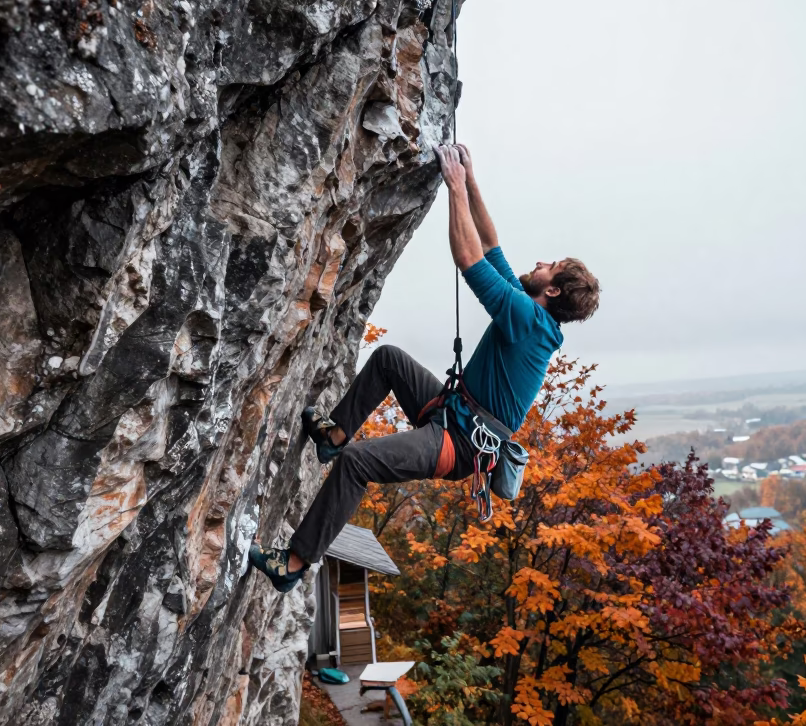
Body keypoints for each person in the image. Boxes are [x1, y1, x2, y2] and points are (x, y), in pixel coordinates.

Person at [248, 144, 600, 592]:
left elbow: (469, 260)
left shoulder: (529, 321)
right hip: (454, 414)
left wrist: (454, 187)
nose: (540, 263)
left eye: (551, 266)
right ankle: (333, 436)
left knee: (359, 464)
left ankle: (294, 564)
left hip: (458, 442)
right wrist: (470, 179)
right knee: (389, 359)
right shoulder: (532, 312)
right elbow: (491, 247)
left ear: (551, 291)